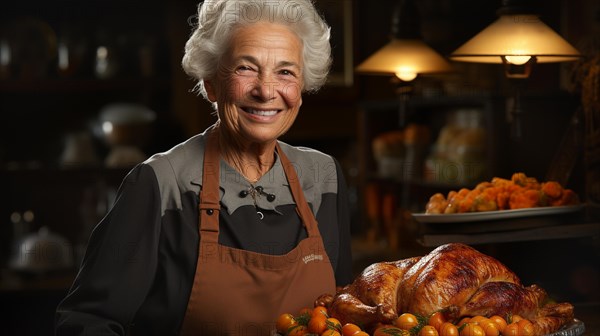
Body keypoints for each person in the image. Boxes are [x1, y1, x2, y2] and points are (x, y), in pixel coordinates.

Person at [55, 0, 353, 335]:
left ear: (301, 87)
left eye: (285, 72)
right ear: (211, 81)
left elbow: (343, 315)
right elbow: (86, 323)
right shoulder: (159, 184)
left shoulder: (324, 177)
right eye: (246, 68)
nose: (266, 90)